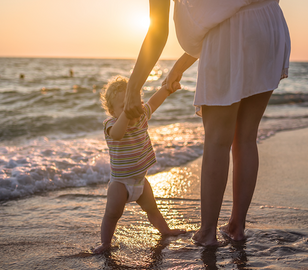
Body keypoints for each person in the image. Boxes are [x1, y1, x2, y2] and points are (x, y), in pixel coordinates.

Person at [123, 0, 290, 246]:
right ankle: (237, 226)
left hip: (232, 31)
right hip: (269, 23)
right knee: (245, 138)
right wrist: (179, 65)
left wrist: (133, 88)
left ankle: (208, 233)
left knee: (217, 140)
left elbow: (161, 30)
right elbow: (226, 8)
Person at [94, 75, 186, 254]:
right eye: (124, 106)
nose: (131, 108)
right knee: (113, 214)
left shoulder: (142, 115)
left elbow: (154, 101)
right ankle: (105, 242)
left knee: (152, 209)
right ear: (112, 111)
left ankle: (165, 230)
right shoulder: (111, 124)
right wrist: (127, 115)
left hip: (140, 181)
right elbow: (118, 135)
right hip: (120, 183)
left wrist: (167, 88)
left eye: (133, 102)